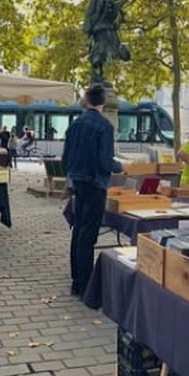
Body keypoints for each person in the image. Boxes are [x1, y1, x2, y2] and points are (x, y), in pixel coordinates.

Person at [62, 83, 127, 296]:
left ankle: (75, 282)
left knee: (78, 231)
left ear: (87, 100)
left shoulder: (74, 125)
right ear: (104, 101)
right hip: (95, 184)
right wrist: (121, 167)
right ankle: (86, 284)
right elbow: (105, 161)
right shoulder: (105, 126)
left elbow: (65, 159)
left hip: (78, 183)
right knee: (88, 235)